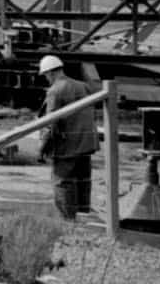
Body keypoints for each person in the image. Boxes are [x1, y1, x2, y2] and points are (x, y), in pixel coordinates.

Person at [35, 54, 98, 220]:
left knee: (62, 183)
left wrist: (42, 149)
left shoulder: (55, 90)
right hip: (86, 144)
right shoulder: (83, 86)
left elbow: (50, 123)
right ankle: (84, 218)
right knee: (83, 182)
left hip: (66, 146)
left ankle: (68, 221)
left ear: (50, 73)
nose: (47, 79)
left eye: (46, 76)